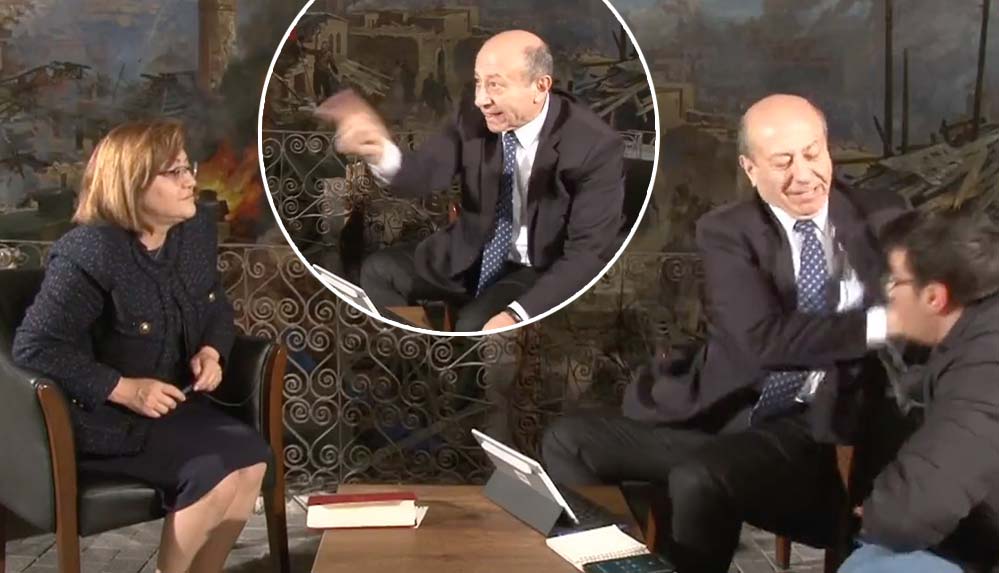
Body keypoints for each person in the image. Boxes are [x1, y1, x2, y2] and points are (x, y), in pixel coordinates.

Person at [542, 94, 907, 572]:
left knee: (699, 478)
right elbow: (761, 341)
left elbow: (935, 308)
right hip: (731, 412)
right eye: (783, 162)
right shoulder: (726, 230)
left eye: (813, 153)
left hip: (808, 428)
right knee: (568, 440)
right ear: (750, 169)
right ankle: (619, 563)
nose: (803, 175)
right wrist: (877, 324)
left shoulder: (882, 216)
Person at [13, 120, 271, 573]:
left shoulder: (194, 233)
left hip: (174, 407)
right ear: (131, 185)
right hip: (105, 417)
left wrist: (213, 351)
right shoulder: (90, 252)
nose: (191, 180)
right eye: (174, 172)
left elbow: (215, 305)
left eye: (188, 167)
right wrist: (125, 389)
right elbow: (35, 348)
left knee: (252, 460)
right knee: (214, 470)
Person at [314, 29, 625, 332]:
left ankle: (453, 360)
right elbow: (423, 171)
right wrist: (379, 150)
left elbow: (587, 254)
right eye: (478, 83)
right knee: (379, 271)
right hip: (470, 251)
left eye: (495, 85)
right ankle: (425, 354)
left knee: (475, 326)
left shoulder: (594, 146)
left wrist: (517, 314)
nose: (480, 99)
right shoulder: (473, 118)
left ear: (540, 86)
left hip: (536, 268)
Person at [838, 210, 999, 573]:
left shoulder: (989, 357)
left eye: (894, 281)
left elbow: (917, 509)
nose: (887, 293)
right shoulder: (976, 328)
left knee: (874, 566)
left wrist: (878, 513)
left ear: (934, 297)